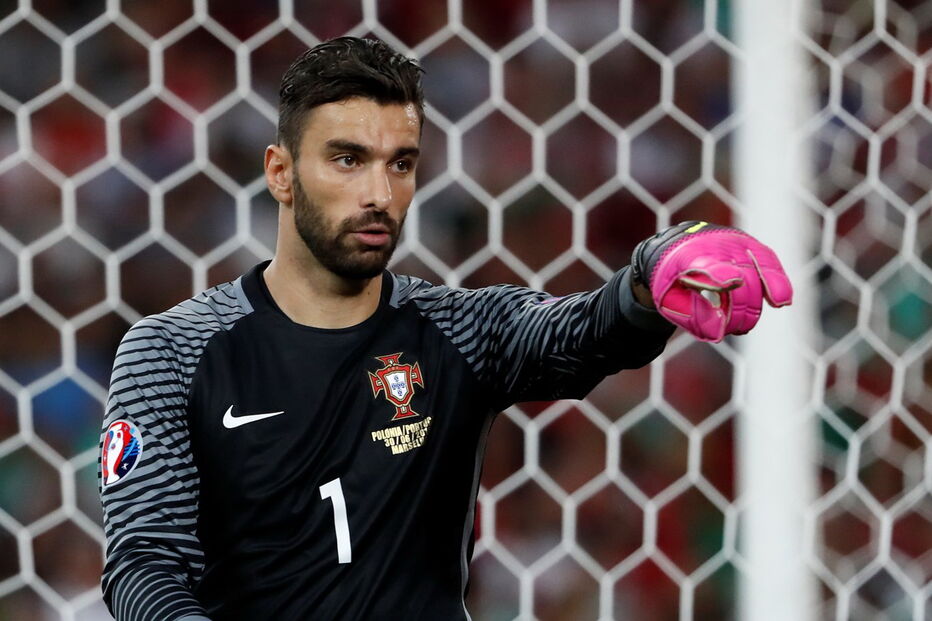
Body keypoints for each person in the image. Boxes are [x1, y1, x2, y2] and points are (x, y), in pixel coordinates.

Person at [98, 36, 791, 620]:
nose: (379, 192)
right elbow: (142, 563)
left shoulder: (454, 329)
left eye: (400, 163)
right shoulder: (173, 353)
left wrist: (646, 278)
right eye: (348, 159)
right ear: (280, 172)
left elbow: (578, 333)